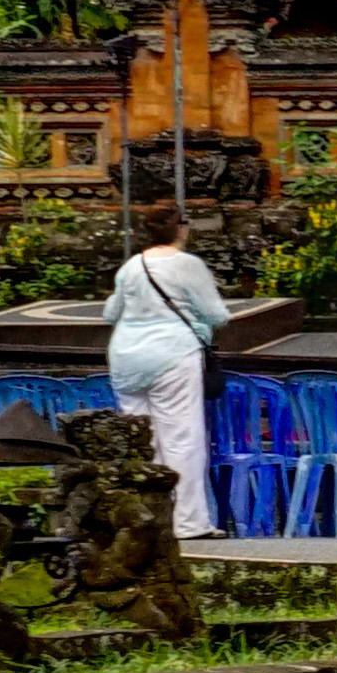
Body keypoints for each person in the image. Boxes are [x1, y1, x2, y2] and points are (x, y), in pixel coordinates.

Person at [102, 215, 232, 538]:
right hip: (172, 354)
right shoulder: (187, 265)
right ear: (182, 231)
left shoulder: (131, 266)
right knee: (182, 439)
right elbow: (217, 314)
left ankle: (145, 520)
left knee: (141, 441)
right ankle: (187, 523)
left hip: (126, 358)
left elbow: (110, 313)